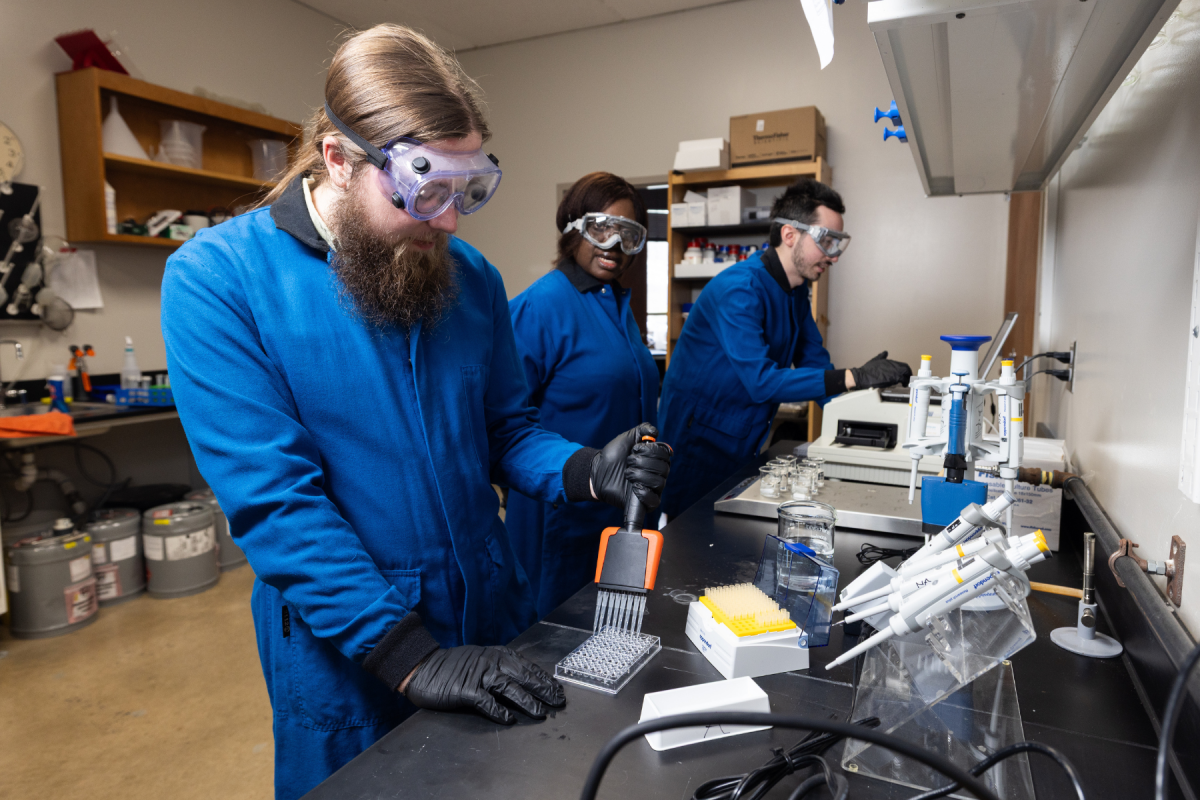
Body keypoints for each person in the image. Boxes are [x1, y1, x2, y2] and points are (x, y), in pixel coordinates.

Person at [160, 25, 671, 800]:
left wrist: (584, 470)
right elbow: (276, 505)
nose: (449, 221)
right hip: (352, 645)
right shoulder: (218, 281)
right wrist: (409, 655)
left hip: (488, 614)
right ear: (338, 157)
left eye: (466, 191)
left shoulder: (469, 277)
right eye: (425, 187)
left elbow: (507, 431)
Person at [657, 178, 909, 518]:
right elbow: (762, 381)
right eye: (827, 242)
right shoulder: (739, 289)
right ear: (790, 235)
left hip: (742, 438)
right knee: (689, 544)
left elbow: (816, 364)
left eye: (839, 244)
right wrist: (853, 377)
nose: (833, 257)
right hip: (698, 444)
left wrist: (871, 412)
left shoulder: (795, 292)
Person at [507, 173, 660, 618]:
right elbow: (505, 425)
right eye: (601, 228)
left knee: (608, 621)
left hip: (618, 510)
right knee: (552, 632)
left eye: (628, 234)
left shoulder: (615, 303)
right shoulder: (540, 306)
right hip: (561, 509)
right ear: (572, 227)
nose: (614, 244)